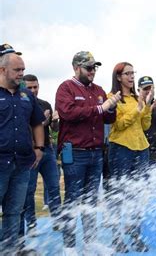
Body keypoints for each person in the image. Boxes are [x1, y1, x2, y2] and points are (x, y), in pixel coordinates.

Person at [55, 51, 120, 255]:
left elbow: (109, 119)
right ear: (76, 67)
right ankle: (69, 246)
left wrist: (111, 107)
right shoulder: (66, 88)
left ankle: (90, 242)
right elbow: (69, 113)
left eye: (95, 67)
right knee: (73, 198)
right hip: (72, 151)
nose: (93, 71)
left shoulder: (99, 90)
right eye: (88, 67)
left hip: (95, 151)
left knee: (91, 199)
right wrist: (101, 108)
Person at [0, 44, 45, 254]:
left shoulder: (27, 96)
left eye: (23, 70)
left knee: (14, 212)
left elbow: (37, 122)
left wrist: (39, 147)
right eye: (17, 70)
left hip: (22, 165)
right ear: (2, 70)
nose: (21, 74)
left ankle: (11, 250)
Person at [107, 63, 153, 253]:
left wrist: (146, 106)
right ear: (118, 77)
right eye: (127, 73)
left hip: (142, 148)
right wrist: (137, 109)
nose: (132, 76)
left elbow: (145, 126)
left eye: (133, 73)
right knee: (119, 194)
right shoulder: (112, 98)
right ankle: (117, 237)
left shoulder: (137, 97)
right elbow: (118, 125)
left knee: (138, 194)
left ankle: (136, 235)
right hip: (121, 148)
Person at [19, 74, 61, 238]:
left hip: (48, 151)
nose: (33, 90)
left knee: (54, 186)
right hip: (30, 152)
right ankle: (31, 224)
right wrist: (41, 123)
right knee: (30, 190)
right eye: (29, 87)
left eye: (35, 87)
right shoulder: (20, 104)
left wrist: (55, 120)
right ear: (23, 87)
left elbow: (54, 129)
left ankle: (58, 220)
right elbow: (21, 129)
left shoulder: (45, 104)